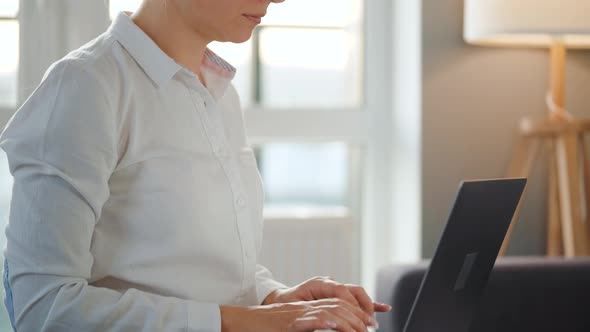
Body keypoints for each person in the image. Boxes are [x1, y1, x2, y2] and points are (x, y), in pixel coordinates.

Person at [0, 0, 391, 331]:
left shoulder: (219, 93)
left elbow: (191, 268)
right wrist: (246, 322)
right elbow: (43, 307)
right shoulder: (86, 86)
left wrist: (273, 297)